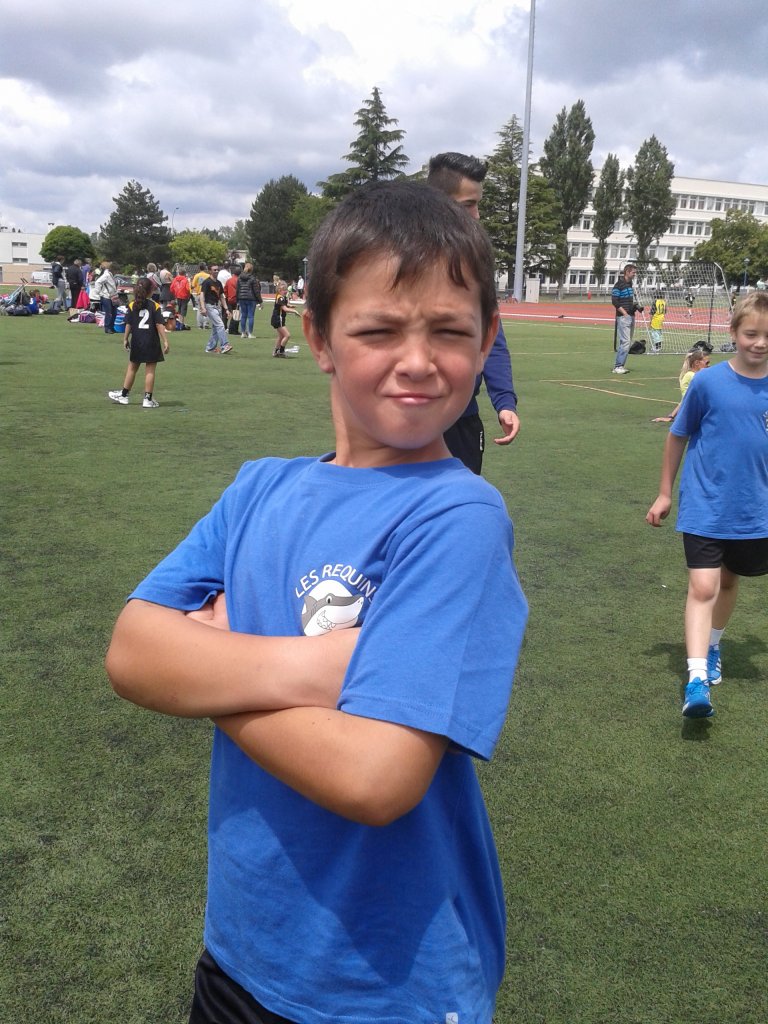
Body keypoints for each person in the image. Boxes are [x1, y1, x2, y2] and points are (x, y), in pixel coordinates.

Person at [105, 180, 528, 1024]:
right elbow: (130, 652)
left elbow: (374, 777)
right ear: (320, 339)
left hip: (385, 990)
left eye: (450, 331)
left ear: (486, 341)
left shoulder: (458, 514)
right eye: (378, 330)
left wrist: (209, 675)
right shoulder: (259, 488)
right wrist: (327, 666)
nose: (418, 360)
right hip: (240, 951)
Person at [646, 291, 768, 719]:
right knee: (703, 587)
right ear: (733, 333)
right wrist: (665, 493)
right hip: (705, 504)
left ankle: (713, 645)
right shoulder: (707, 383)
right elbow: (677, 435)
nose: (759, 342)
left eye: (767, 335)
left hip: (753, 511)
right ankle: (696, 679)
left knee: (729, 583)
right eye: (750, 333)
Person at [427, 151, 520, 473]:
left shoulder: (476, 264)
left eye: (478, 204)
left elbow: (492, 340)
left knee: (465, 500)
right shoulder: (400, 261)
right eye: (468, 205)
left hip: (463, 420)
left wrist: (504, 402)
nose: (477, 216)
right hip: (413, 417)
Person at [107, 277, 170, 408]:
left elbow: (128, 324)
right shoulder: (155, 306)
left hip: (137, 341)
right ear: (150, 291)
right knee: (150, 370)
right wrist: (165, 341)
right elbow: (159, 324)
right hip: (151, 342)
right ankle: (147, 399)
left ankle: (124, 395)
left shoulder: (132, 305)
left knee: (132, 368)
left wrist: (125, 338)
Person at [652, 348, 710, 423]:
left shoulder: (693, 375)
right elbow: (688, 400)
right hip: (696, 413)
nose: (708, 366)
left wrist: (671, 416)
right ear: (697, 363)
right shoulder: (692, 376)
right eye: (707, 363)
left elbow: (685, 399)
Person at [611, 263, 642, 374]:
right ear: (627, 272)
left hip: (631, 315)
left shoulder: (630, 284)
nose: (634, 274)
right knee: (625, 342)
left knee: (626, 342)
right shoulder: (619, 285)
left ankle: (620, 365)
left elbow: (628, 302)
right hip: (624, 317)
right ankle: (618, 366)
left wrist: (635, 307)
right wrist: (625, 313)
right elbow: (615, 301)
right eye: (633, 272)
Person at [200, 265, 232, 354]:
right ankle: (225, 345)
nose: (216, 271)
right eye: (214, 270)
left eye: (217, 270)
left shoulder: (218, 283)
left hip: (217, 307)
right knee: (220, 325)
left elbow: (221, 296)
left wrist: (226, 309)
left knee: (215, 329)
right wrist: (203, 307)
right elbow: (202, 295)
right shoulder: (207, 282)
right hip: (209, 306)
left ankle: (210, 348)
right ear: (210, 271)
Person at [270, 279, 300, 357]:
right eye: (284, 290)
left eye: (286, 289)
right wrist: (294, 311)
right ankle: (281, 352)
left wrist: (290, 306)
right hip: (278, 319)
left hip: (278, 319)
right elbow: (285, 309)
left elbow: (285, 305)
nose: (286, 291)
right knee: (287, 335)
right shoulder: (280, 298)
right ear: (279, 290)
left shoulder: (282, 297)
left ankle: (276, 352)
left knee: (281, 336)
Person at [237, 262, 262, 338]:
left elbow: (238, 289)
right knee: (251, 316)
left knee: (243, 316)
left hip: (241, 298)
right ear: (251, 270)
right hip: (251, 299)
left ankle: (243, 333)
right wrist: (260, 301)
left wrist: (237, 299)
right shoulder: (252, 278)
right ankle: (250, 333)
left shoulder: (239, 277)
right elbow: (256, 291)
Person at [93, 261, 119, 333]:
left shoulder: (111, 275)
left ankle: (112, 327)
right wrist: (98, 292)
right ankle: (107, 328)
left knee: (114, 313)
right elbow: (98, 282)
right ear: (113, 269)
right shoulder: (106, 275)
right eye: (116, 270)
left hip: (113, 296)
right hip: (106, 296)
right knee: (109, 313)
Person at [190, 263, 210, 329]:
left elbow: (193, 285)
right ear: (205, 268)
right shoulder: (208, 275)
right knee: (206, 308)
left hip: (199, 293)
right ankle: (206, 324)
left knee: (199, 309)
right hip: (207, 294)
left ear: (199, 268)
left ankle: (199, 325)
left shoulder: (197, 275)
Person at [224, 265, 241, 337]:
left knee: (232, 314)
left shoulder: (229, 280)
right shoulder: (239, 281)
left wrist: (227, 297)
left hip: (229, 299)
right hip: (236, 299)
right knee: (236, 315)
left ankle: (231, 329)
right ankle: (234, 330)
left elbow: (225, 290)